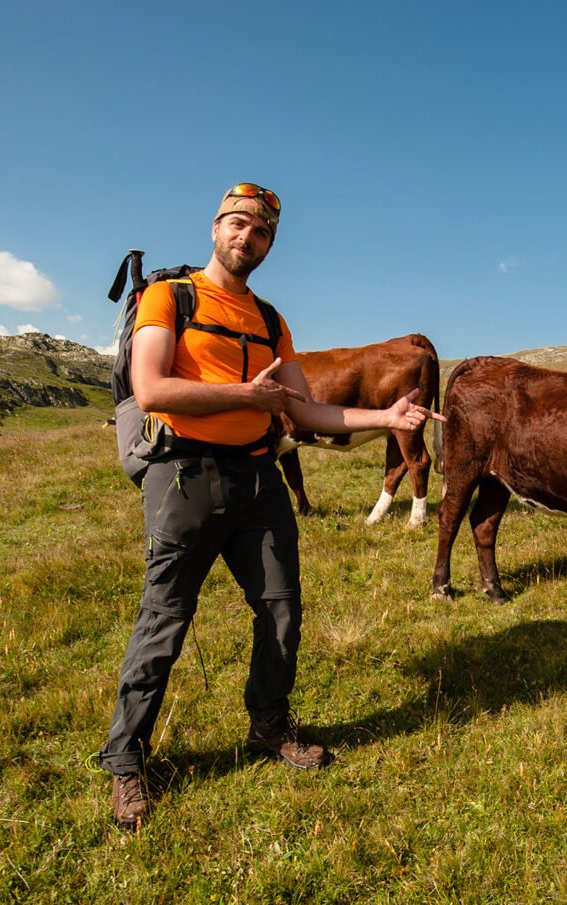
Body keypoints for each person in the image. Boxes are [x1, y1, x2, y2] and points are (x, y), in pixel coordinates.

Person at [100, 182, 441, 830]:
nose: (246, 237)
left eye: (260, 232)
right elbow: (150, 388)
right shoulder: (167, 298)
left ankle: (269, 725)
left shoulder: (270, 319)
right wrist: (247, 398)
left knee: (281, 611)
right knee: (164, 621)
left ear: (269, 243)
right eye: (237, 224)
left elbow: (305, 408)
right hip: (184, 479)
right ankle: (126, 761)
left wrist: (385, 413)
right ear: (215, 227)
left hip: (259, 481)